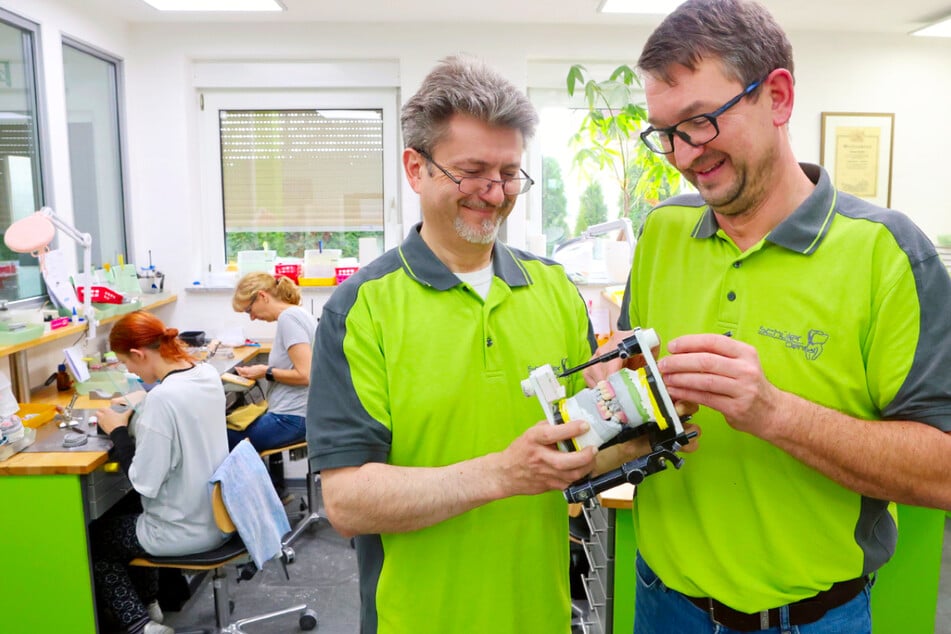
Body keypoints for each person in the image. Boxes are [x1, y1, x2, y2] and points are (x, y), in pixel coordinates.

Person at [588, 1, 951, 632]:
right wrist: (624, 392)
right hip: (662, 601)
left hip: (813, 617)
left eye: (699, 123)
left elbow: (942, 471)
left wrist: (773, 413)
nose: (681, 155)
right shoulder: (662, 232)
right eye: (664, 132)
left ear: (777, 96)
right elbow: (647, 407)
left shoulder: (888, 253)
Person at [306, 55, 603, 634]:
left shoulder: (557, 290)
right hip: (417, 618)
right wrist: (502, 474)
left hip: (539, 612)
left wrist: (654, 416)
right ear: (416, 169)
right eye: (472, 171)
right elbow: (347, 502)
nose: (494, 194)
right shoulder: (361, 308)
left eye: (510, 173)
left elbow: (579, 449)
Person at [90, 311, 230, 634]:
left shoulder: (162, 401)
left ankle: (141, 626)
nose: (130, 371)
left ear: (139, 354)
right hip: (221, 514)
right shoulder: (205, 373)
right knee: (131, 514)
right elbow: (173, 404)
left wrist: (117, 431)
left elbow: (144, 483)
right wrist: (145, 399)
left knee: (97, 540)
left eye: (128, 364)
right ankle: (150, 604)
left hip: (184, 529)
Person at [231, 272, 317, 494]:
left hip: (292, 418)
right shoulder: (298, 315)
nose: (251, 317)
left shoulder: (290, 319)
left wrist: (265, 371)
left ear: (262, 296)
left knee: (222, 439)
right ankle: (276, 494)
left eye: (249, 310)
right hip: (299, 414)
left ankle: (262, 507)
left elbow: (305, 374)